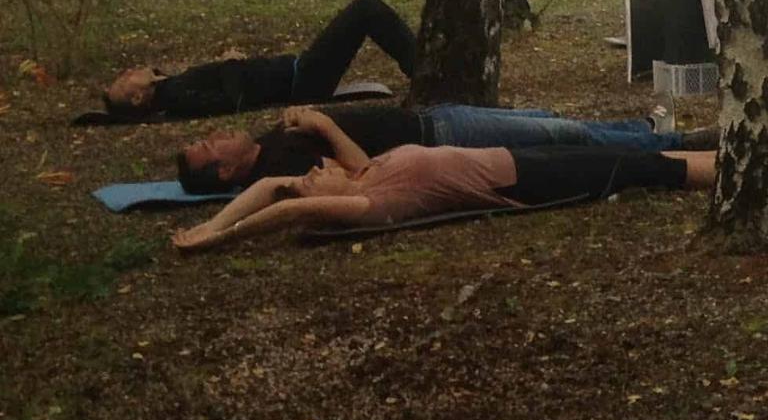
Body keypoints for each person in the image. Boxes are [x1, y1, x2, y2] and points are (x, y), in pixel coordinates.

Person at [168, 146, 715, 250]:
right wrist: (221, 237)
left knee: (636, 157)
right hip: (525, 182)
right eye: (313, 178)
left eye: (310, 173)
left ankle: (747, 149)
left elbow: (269, 187)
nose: (310, 173)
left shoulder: (363, 173)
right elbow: (287, 205)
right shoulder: (377, 203)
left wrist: (213, 223)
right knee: (646, 169)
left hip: (516, 157)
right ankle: (748, 166)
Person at [175, 101, 705, 195]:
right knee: (561, 137)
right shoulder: (284, 165)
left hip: (432, 119)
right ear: (225, 172)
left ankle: (643, 129)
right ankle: (677, 143)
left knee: (549, 122)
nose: (217, 135)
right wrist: (322, 125)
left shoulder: (268, 144)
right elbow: (361, 171)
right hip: (441, 141)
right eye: (210, 145)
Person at [97, 0, 416, 123]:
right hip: (300, 81)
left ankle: (421, 63)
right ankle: (421, 67)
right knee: (366, 8)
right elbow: (231, 102)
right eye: (124, 82)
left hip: (297, 70)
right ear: (139, 97)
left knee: (366, 9)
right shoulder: (176, 97)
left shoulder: (170, 83)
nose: (127, 72)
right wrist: (230, 64)